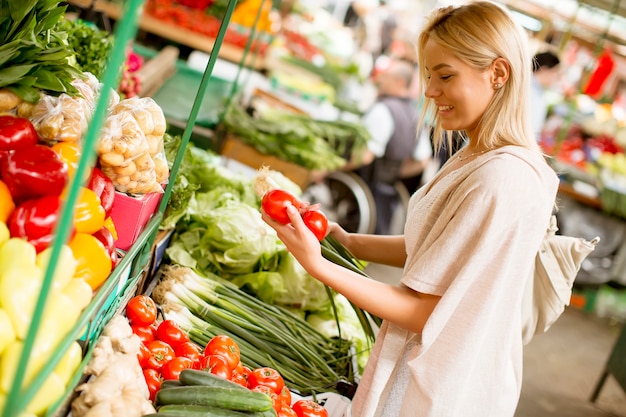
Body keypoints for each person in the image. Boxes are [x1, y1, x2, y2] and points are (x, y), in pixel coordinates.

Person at [261, 1, 559, 416]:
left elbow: (425, 312)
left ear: (497, 73)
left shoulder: (501, 177)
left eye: (445, 76)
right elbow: (437, 249)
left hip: (442, 388)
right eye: (428, 76)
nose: (430, 91)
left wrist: (321, 266)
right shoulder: (481, 156)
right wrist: (346, 240)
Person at [354, 57, 431, 235]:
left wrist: (329, 169)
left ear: (400, 82)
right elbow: (423, 160)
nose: (380, 79)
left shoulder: (383, 110)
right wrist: (395, 172)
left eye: (385, 76)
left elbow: (365, 156)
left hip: (366, 184)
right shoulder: (414, 116)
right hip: (388, 192)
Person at [530, 50, 561, 141]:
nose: (556, 77)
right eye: (555, 72)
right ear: (544, 70)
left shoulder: (538, 91)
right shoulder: (529, 90)